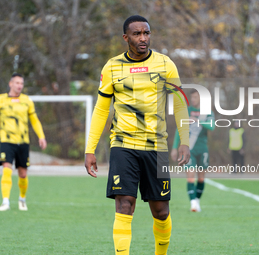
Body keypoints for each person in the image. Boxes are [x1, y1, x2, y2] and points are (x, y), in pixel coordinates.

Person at [84, 15, 190, 255]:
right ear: (126, 38)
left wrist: (185, 140)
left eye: (147, 33)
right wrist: (90, 148)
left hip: (157, 147)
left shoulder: (165, 64)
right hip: (123, 144)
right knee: (124, 205)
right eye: (137, 34)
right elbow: (101, 110)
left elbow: (180, 104)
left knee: (161, 211)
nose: (143, 38)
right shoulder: (112, 66)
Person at [0, 73, 47, 211]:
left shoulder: (27, 101)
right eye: (17, 83)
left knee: (23, 174)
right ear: (10, 84)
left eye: (21, 83)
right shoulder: (0, 100)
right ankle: (5, 201)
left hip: (23, 142)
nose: (19, 85)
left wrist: (41, 136)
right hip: (6, 141)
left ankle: (22, 199)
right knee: (6, 168)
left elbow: (35, 121)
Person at [171, 89, 215, 212]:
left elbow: (212, 126)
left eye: (195, 97)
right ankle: (193, 203)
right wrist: (175, 147)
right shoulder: (187, 111)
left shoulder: (207, 112)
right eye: (192, 97)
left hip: (202, 149)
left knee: (201, 178)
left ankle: (197, 200)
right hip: (189, 149)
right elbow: (178, 130)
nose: (193, 100)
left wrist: (198, 121)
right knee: (190, 176)